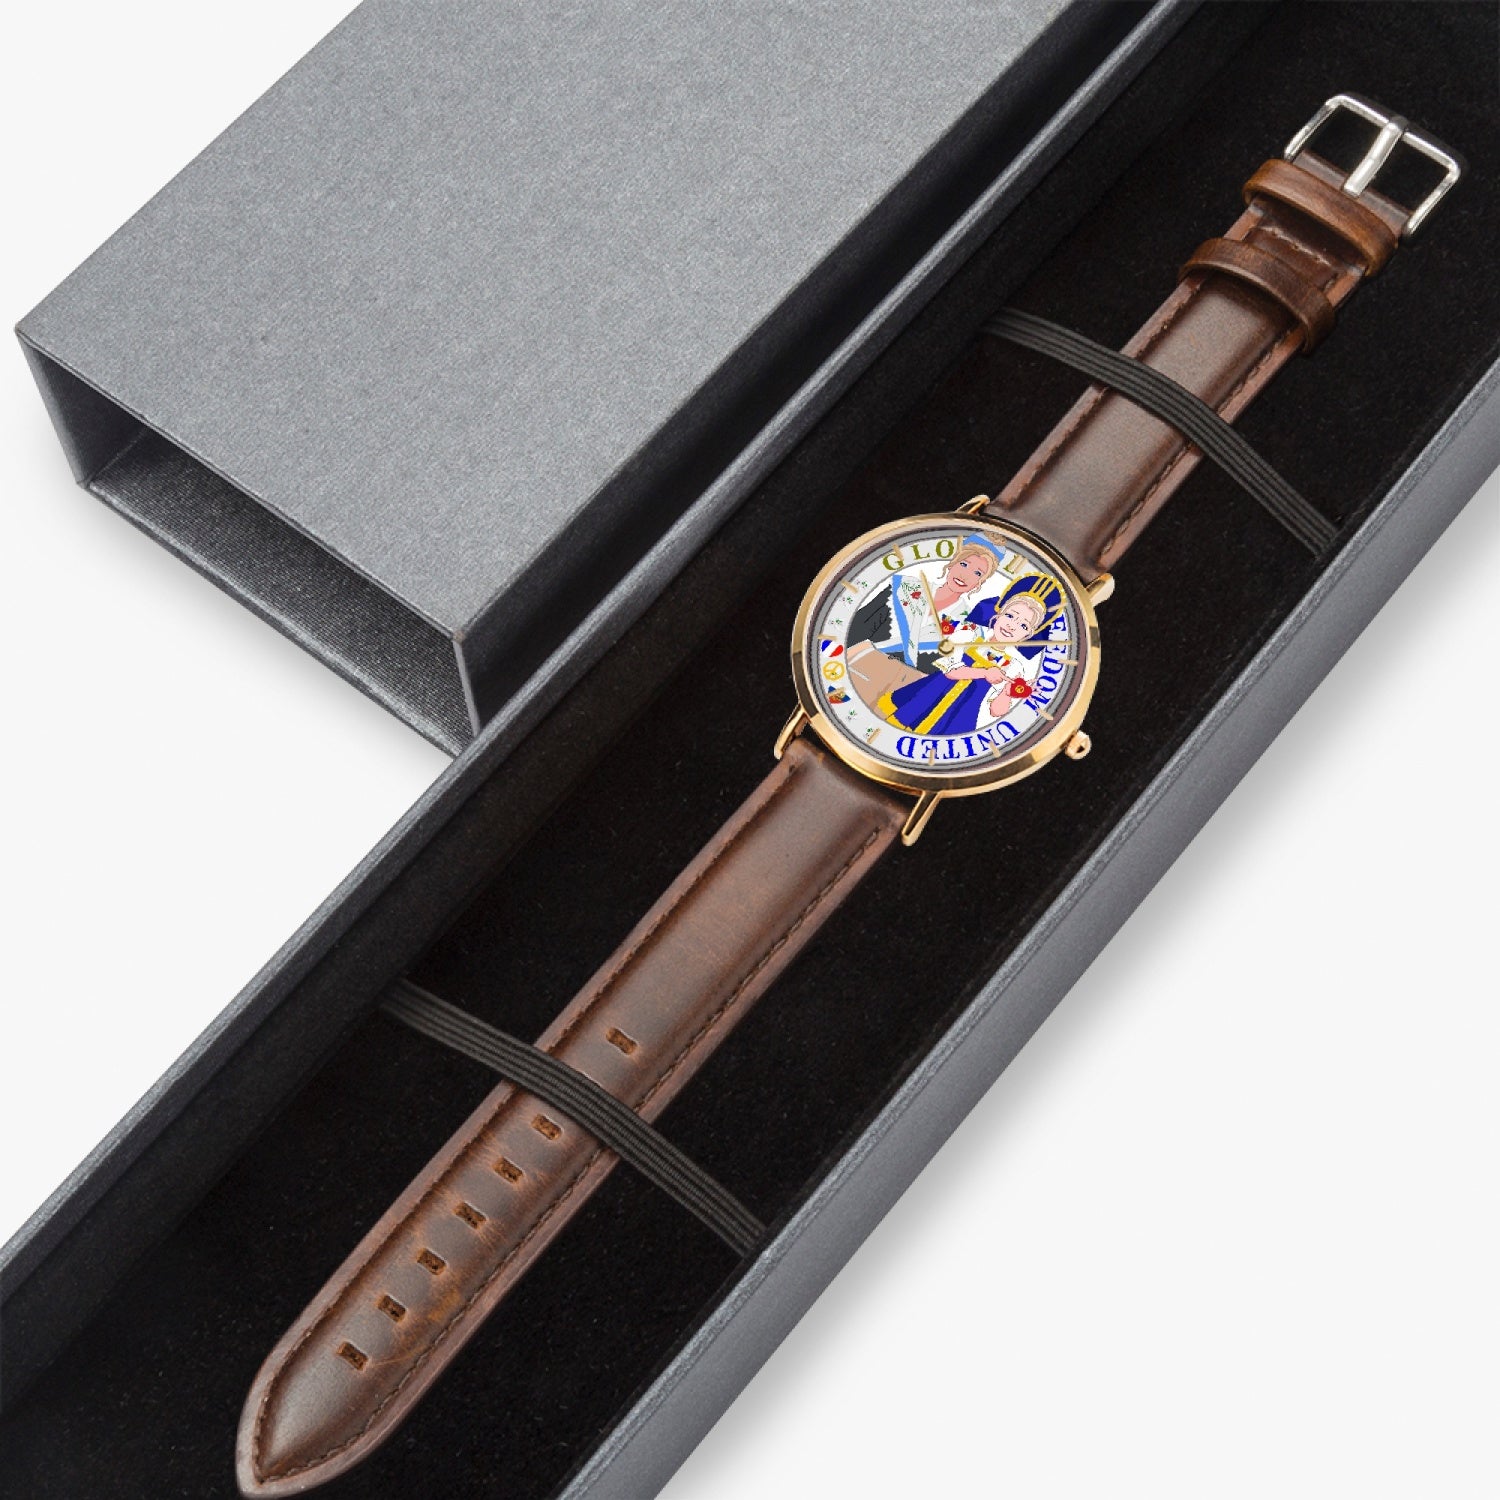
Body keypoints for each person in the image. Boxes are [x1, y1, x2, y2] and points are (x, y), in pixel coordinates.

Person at [877, 573, 1064, 735]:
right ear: (998, 615)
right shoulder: (969, 634)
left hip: (959, 717)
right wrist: (985, 673)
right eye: (1010, 615)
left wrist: (1007, 693)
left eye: (1023, 625)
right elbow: (951, 672)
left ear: (1027, 636)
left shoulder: (1014, 667)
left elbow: (996, 711)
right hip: (927, 697)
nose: (1012, 626)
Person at [847, 536, 1005, 673]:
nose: (965, 575)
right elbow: (855, 631)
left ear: (980, 583)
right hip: (852, 667)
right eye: (964, 564)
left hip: (898, 691)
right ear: (952, 563)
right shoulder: (903, 588)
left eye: (977, 573)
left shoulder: (969, 627)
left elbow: (943, 675)